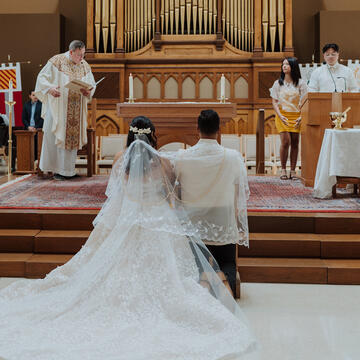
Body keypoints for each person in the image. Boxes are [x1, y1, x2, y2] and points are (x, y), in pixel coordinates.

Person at [0, 116, 257, 359]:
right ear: (153, 137)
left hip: (127, 219)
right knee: (171, 277)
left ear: (129, 135)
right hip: (158, 223)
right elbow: (171, 195)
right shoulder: (164, 162)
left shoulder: (121, 159)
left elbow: (115, 195)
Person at [173, 109, 250, 296]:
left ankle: (202, 285)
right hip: (223, 221)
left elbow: (175, 195)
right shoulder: (233, 157)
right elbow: (239, 194)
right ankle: (226, 288)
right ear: (219, 129)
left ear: (197, 129)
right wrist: (238, 225)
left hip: (193, 224)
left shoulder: (182, 157)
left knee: (196, 264)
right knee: (227, 262)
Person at [35, 40, 96, 180]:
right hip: (58, 108)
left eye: (83, 55)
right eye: (79, 55)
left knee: (71, 140)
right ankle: (55, 170)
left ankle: (68, 171)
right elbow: (41, 78)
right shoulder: (57, 61)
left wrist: (88, 92)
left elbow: (91, 84)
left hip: (76, 109)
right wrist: (50, 89)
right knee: (56, 136)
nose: (82, 58)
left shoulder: (84, 66)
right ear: (71, 52)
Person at [270, 57, 308, 180]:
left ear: (293, 66)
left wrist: (302, 116)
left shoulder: (301, 83)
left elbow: (304, 101)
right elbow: (274, 102)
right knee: (286, 141)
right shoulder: (278, 83)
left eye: (287, 64)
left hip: (297, 115)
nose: (284, 66)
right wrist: (280, 116)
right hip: (283, 115)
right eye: (283, 64)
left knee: (295, 142)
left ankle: (292, 170)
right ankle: (283, 169)